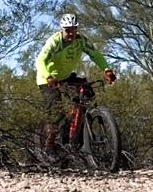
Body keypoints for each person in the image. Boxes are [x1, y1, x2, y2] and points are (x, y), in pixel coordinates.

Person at [35, 13, 116, 154]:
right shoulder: (55, 42)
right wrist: (48, 77)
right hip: (47, 79)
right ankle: (49, 147)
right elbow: (40, 60)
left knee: (87, 94)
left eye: (73, 29)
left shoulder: (81, 41)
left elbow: (95, 55)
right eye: (67, 30)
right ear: (62, 29)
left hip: (66, 77)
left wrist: (107, 69)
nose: (71, 33)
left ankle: (75, 134)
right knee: (56, 113)